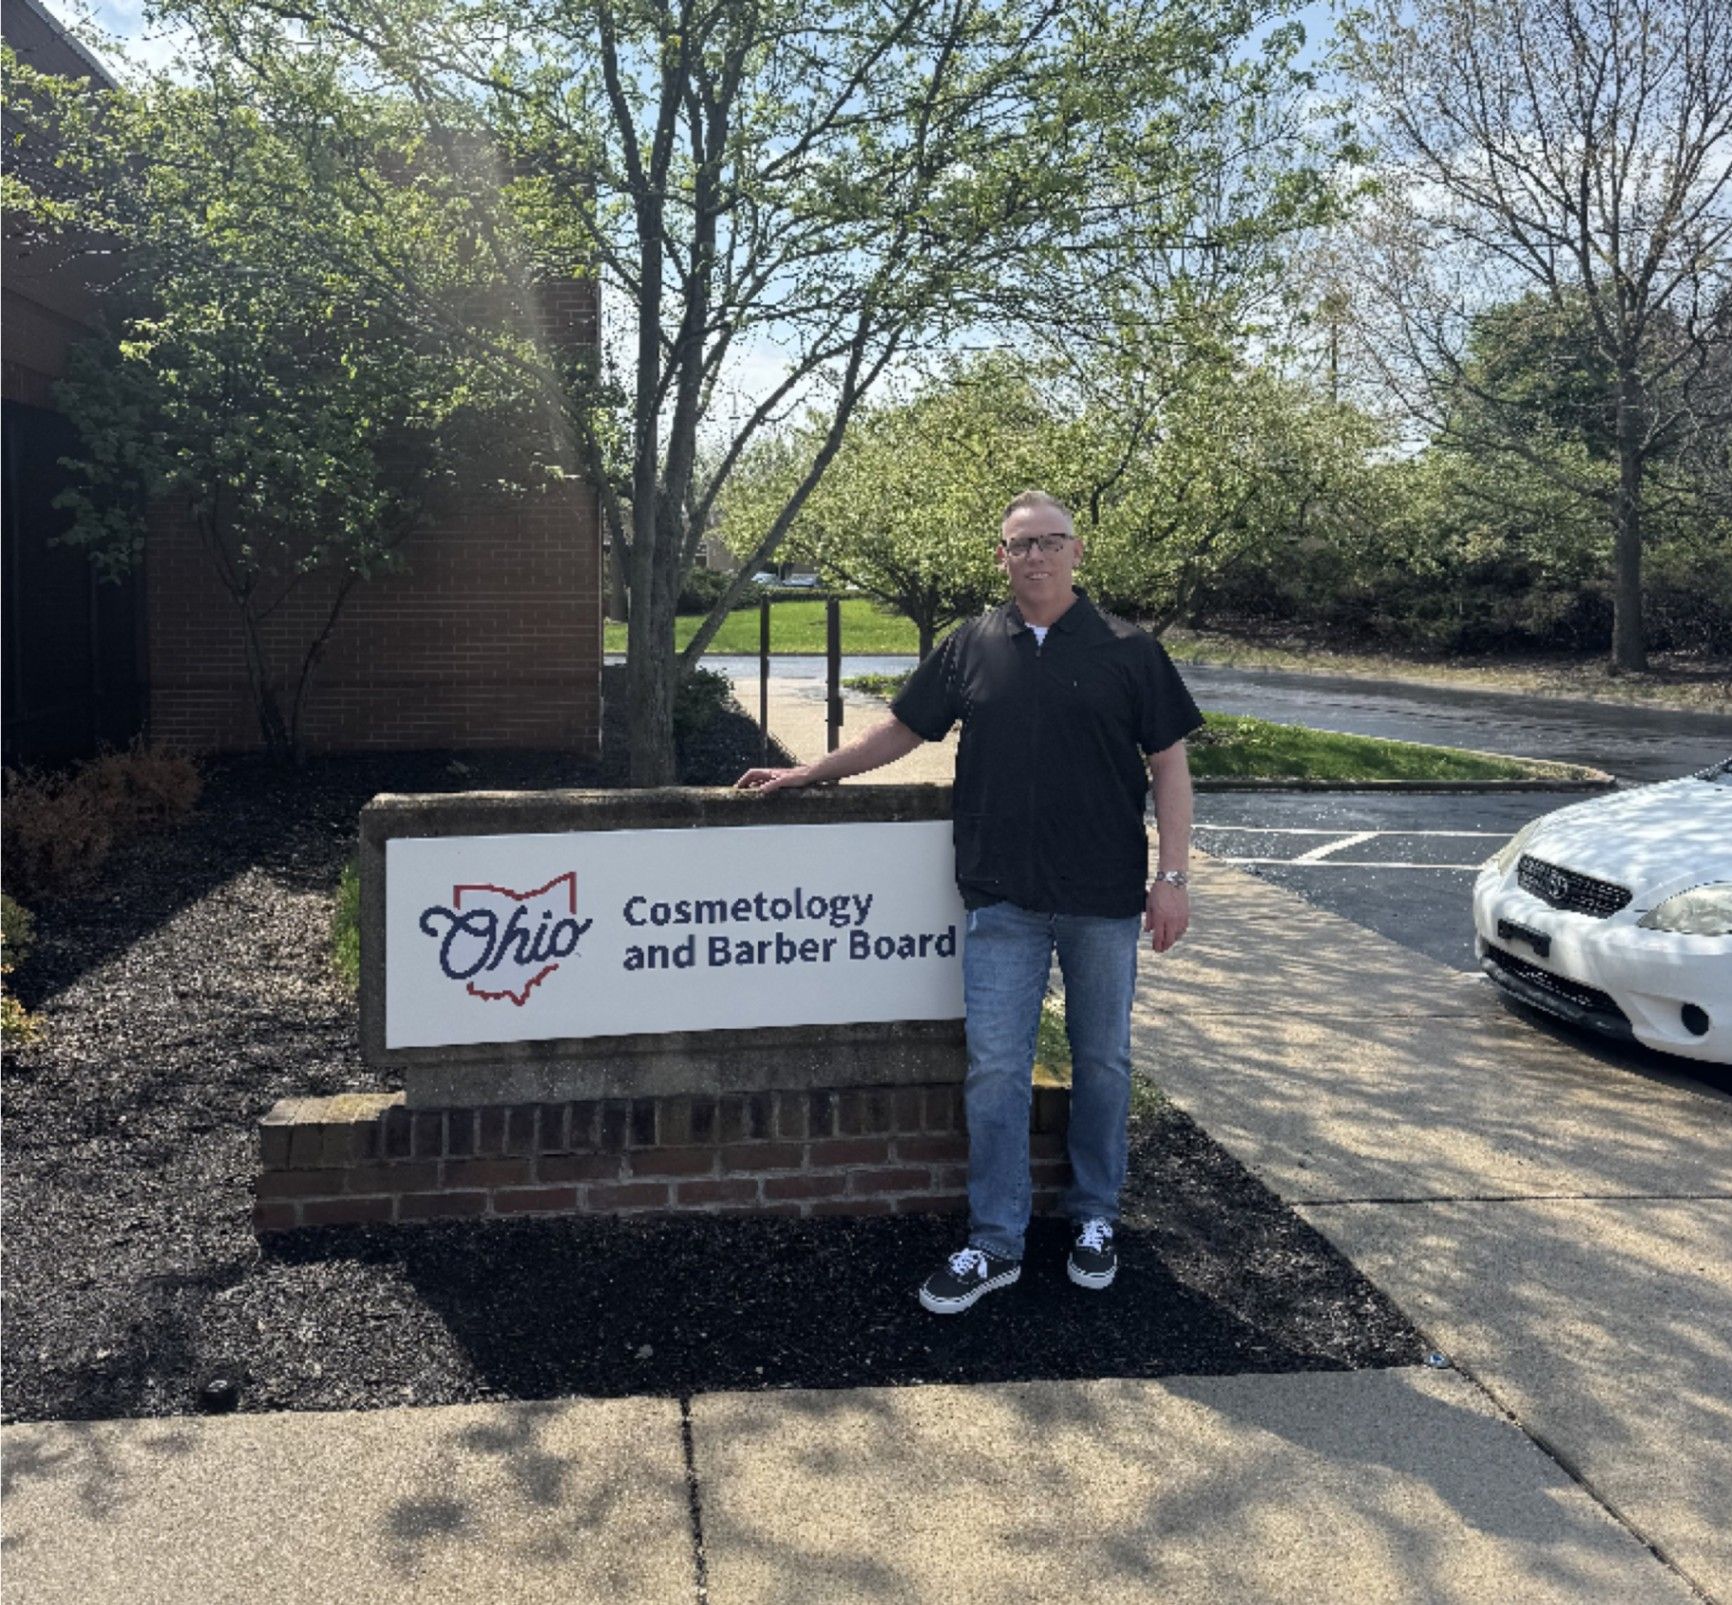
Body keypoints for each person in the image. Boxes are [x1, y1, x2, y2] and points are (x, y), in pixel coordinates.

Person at [735, 489, 1202, 1313]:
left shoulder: (1130, 650)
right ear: (1001, 557)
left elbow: (1169, 765)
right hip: (1001, 897)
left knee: (1102, 1061)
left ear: (1077, 550)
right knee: (994, 1071)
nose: (1035, 556)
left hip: (1102, 898)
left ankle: (1095, 1216)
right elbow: (901, 730)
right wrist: (808, 772)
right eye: (1020, 544)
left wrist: (1172, 877)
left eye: (1050, 541)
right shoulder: (972, 644)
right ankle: (996, 1241)